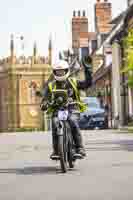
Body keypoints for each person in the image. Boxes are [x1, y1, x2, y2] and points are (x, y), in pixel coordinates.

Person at [40, 59, 92, 159]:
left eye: (62, 71)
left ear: (66, 71)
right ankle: (56, 151)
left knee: (72, 121)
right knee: (55, 123)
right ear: (54, 72)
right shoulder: (51, 85)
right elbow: (45, 97)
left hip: (72, 108)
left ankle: (79, 148)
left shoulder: (73, 81)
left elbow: (87, 84)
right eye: (58, 72)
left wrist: (88, 71)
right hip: (57, 109)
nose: (60, 73)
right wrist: (44, 104)